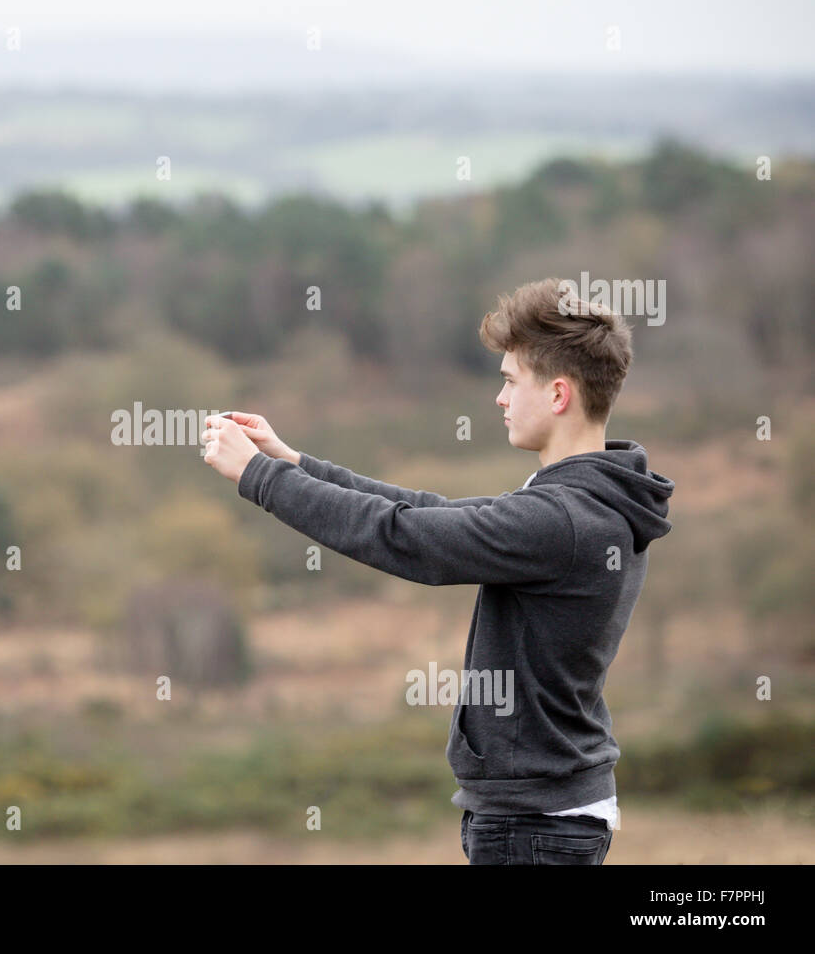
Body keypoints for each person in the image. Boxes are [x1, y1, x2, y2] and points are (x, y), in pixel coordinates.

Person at [202, 277, 674, 864]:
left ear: (557, 395)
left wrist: (260, 478)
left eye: (509, 382)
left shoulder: (563, 519)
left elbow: (408, 539)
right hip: (543, 817)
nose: (499, 399)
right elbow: (433, 515)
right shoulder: (585, 502)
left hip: (532, 827)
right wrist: (294, 462)